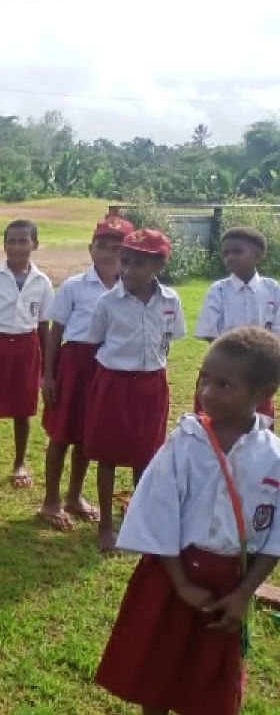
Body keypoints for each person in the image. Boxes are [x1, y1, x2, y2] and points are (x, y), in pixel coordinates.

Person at [95, 326, 280, 715]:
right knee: (156, 670)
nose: (208, 392)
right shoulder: (183, 444)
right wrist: (181, 584)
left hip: (229, 587)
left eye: (224, 385)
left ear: (264, 394)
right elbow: (157, 512)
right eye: (204, 379)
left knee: (209, 681)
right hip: (170, 576)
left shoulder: (273, 458)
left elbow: (275, 536)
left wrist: (244, 593)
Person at [84, 228, 185, 552]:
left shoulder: (171, 301)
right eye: (124, 262)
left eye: (138, 264)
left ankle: (138, 520)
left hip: (151, 386)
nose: (127, 270)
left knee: (146, 454)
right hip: (114, 384)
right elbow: (96, 341)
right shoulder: (107, 302)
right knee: (108, 455)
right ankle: (105, 526)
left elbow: (169, 339)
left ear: (158, 266)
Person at [37, 215, 133, 531]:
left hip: (107, 367)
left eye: (117, 247)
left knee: (87, 437)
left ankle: (74, 497)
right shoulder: (74, 286)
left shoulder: (131, 290)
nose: (108, 253)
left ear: (129, 253)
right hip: (74, 363)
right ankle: (51, 501)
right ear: (91, 249)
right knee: (62, 434)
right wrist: (48, 375)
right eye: (102, 245)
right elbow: (55, 332)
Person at [0, 219, 55, 488]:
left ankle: (19, 463)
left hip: (27, 350)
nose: (17, 247)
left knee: (23, 409)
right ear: (4, 245)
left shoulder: (42, 282)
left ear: (34, 245)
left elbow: (43, 326)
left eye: (23, 241)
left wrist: (46, 366)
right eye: (11, 241)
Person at [194, 226, 280, 417]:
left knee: (257, 421)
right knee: (215, 421)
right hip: (224, 370)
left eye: (237, 251)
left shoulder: (273, 289)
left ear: (258, 255)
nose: (230, 257)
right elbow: (210, 332)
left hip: (258, 370)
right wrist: (231, 362)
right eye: (226, 253)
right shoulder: (219, 290)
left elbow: (276, 331)